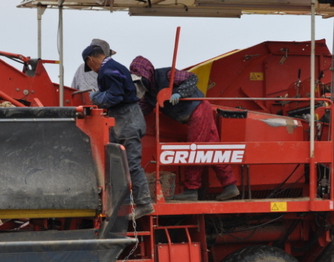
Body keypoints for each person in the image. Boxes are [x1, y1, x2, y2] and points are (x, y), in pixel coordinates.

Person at [129, 55, 239, 201]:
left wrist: (179, 93)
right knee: (212, 150)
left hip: (197, 110)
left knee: (194, 150)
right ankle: (230, 185)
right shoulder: (149, 94)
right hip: (197, 112)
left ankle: (191, 190)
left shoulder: (167, 74)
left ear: (146, 73)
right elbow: (143, 109)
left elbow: (192, 78)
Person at [82, 44, 155, 220]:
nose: (91, 69)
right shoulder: (114, 66)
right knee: (117, 162)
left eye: (89, 66)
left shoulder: (107, 71)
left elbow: (115, 96)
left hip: (127, 120)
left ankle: (144, 204)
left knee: (131, 163)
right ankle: (121, 201)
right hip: (125, 119)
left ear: (90, 60)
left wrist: (95, 97)